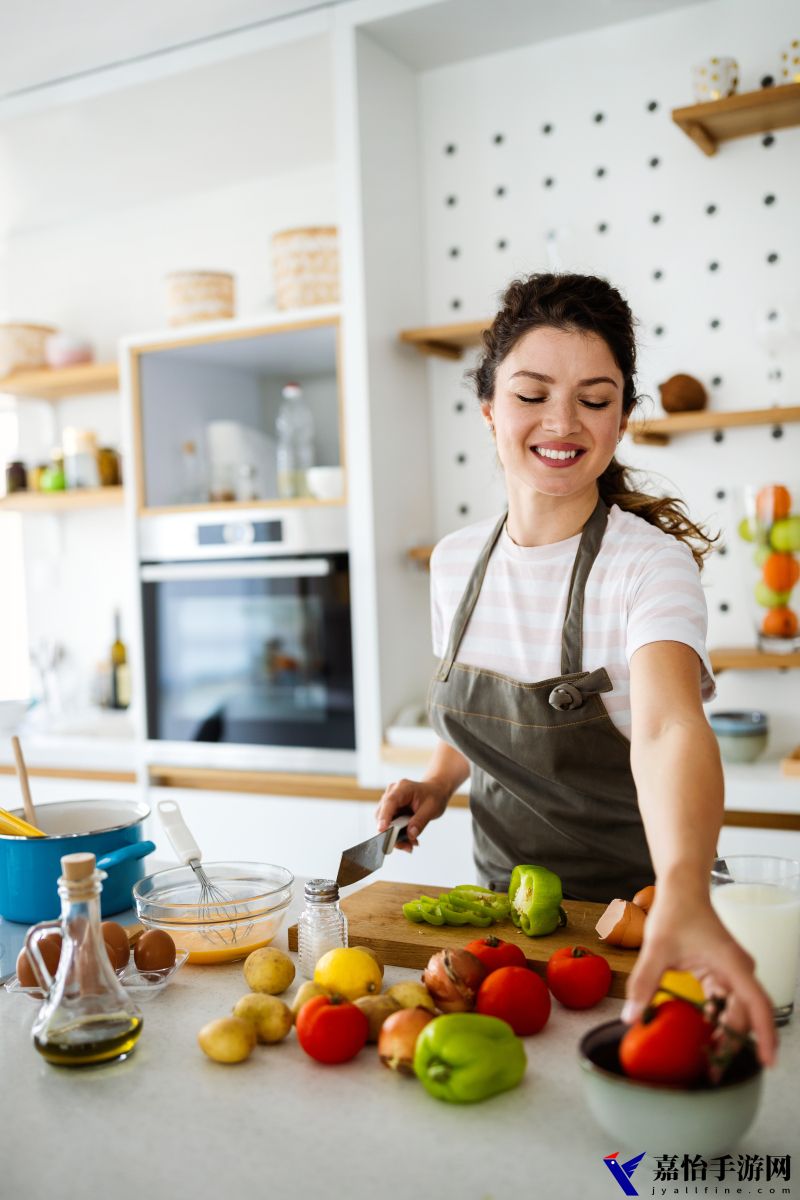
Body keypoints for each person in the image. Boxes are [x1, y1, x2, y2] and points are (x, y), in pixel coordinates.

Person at [376, 272, 776, 1065]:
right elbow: (479, 723)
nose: (563, 422)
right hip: (502, 923)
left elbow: (666, 728)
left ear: (622, 419)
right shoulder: (457, 565)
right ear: (489, 407)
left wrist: (687, 893)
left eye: (595, 400)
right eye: (532, 394)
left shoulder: (649, 567)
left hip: (638, 923)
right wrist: (435, 783)